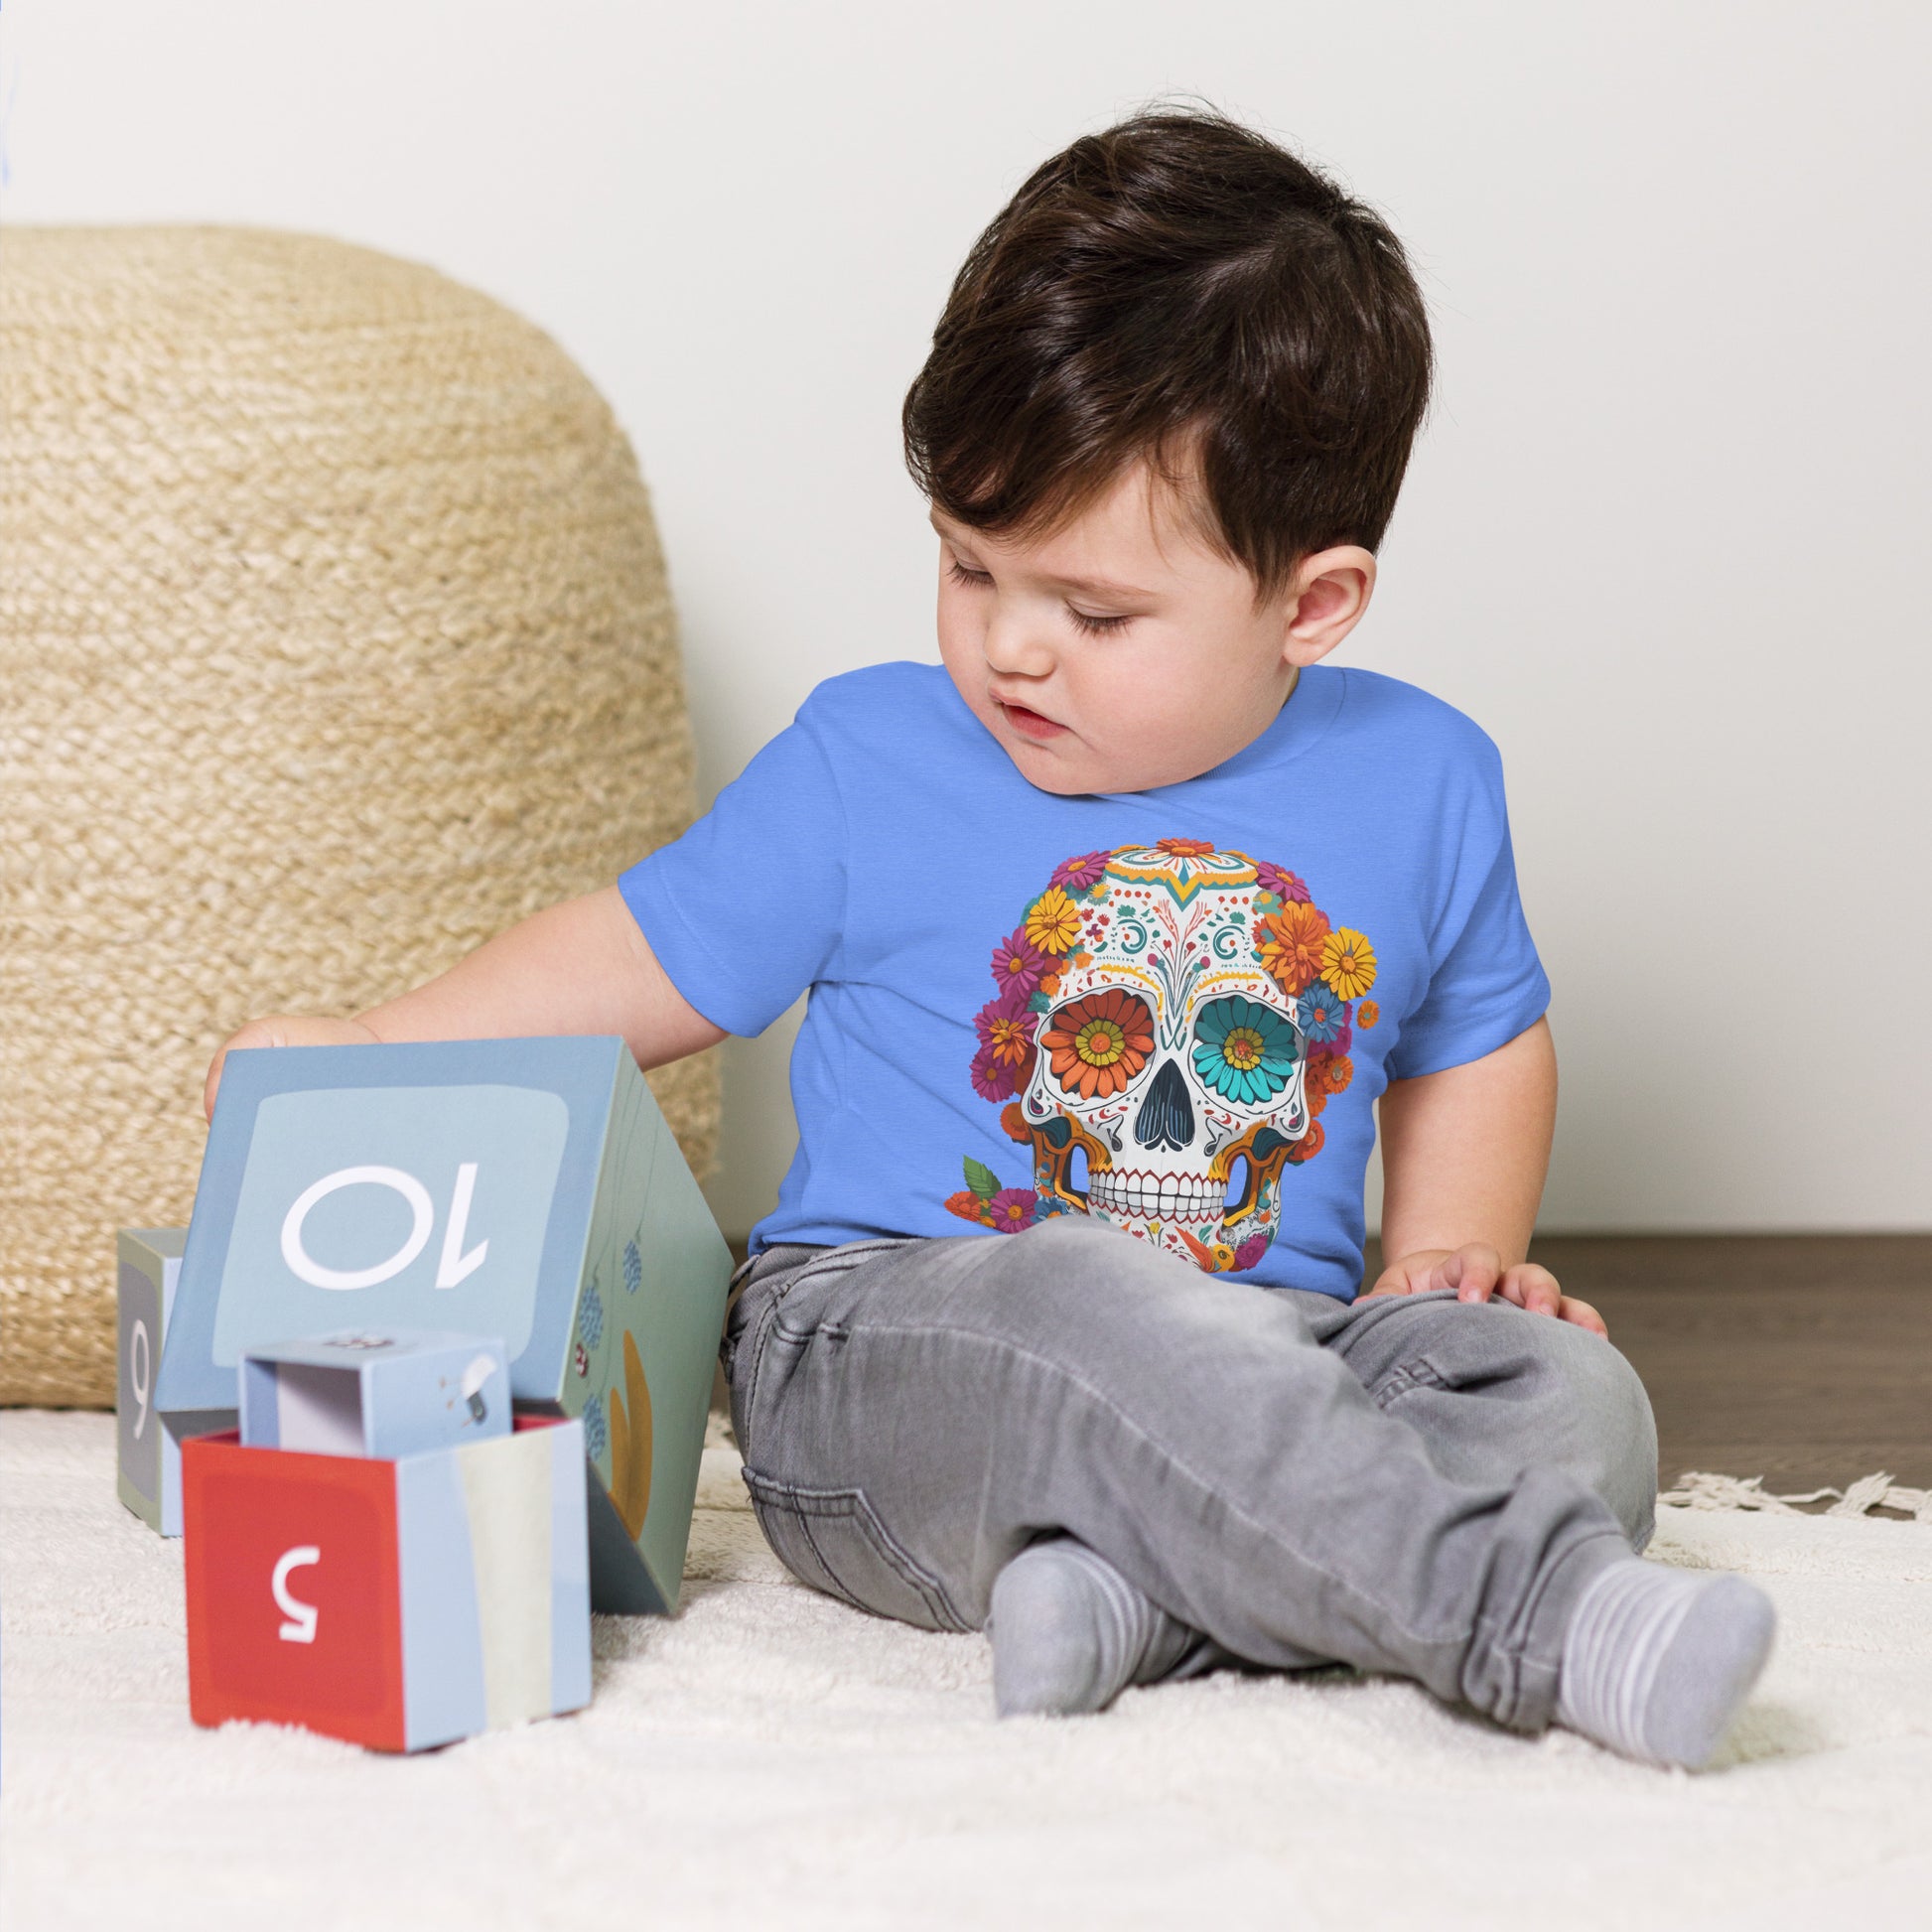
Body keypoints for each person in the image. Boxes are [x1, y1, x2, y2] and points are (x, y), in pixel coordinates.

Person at [206, 108, 1774, 1768]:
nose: (1010, 647)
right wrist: (376, 1050)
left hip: (1286, 1351)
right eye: (968, 565)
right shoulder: (864, 760)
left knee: (1570, 1397)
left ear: (1309, 605)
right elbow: (635, 955)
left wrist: (1438, 1263)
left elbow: (1475, 1029)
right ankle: (1521, 1616)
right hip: (892, 1347)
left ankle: (1140, 1604)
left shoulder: (1423, 777)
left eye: (1093, 612)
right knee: (1091, 1307)